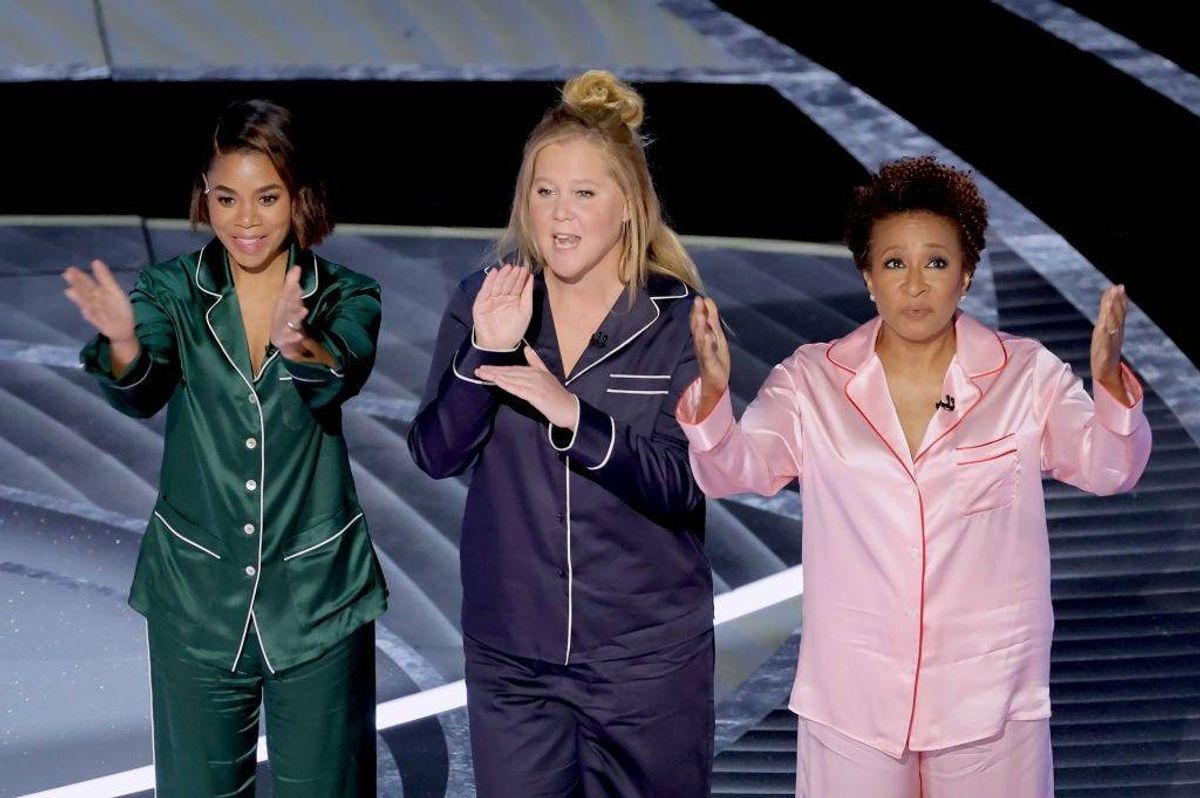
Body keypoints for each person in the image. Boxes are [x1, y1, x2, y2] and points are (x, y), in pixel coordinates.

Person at [679, 155, 1151, 796]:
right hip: (853, 699)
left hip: (989, 700)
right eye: (894, 263)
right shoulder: (811, 379)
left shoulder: (1027, 374)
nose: (915, 284)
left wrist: (1107, 387)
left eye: (936, 262)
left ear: (966, 274)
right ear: (868, 277)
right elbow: (735, 472)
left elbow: (1109, 468)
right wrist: (712, 402)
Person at [63, 99, 386, 797]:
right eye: (226, 197)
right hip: (195, 599)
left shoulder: (348, 295)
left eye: (267, 197)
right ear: (202, 199)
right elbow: (139, 388)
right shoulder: (168, 291)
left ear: (300, 198)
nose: (245, 219)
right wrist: (122, 341)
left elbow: (338, 374)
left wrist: (298, 340)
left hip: (317, 603)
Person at [408, 70, 713, 797]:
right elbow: (434, 453)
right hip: (513, 660)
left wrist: (573, 416)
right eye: (544, 192)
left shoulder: (679, 318)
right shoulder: (486, 300)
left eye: (584, 193)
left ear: (629, 206)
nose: (560, 215)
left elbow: (687, 482)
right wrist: (484, 352)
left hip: (647, 662)